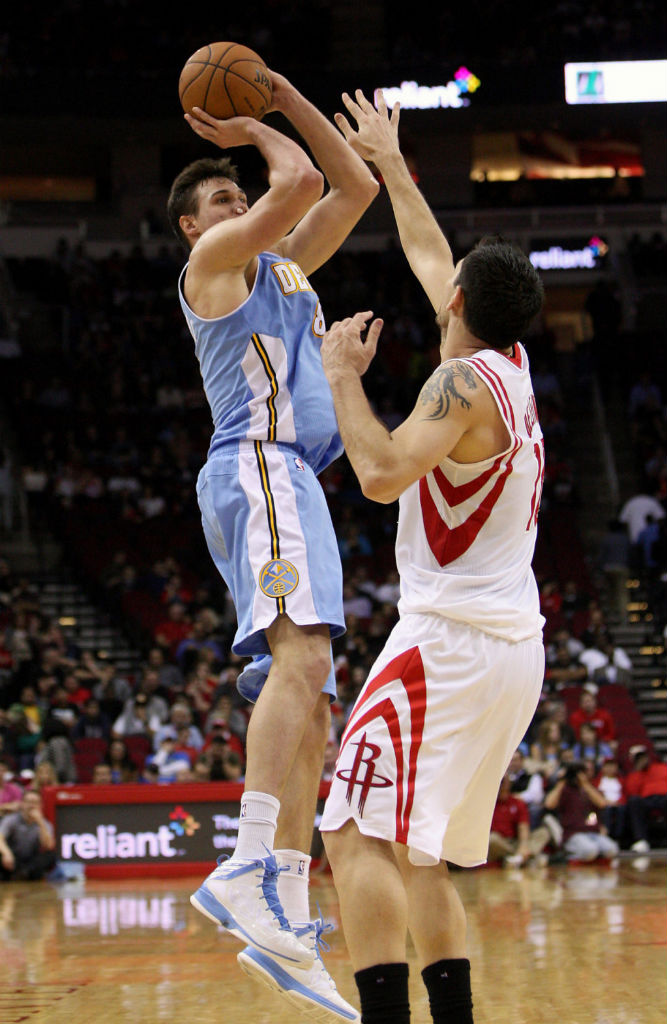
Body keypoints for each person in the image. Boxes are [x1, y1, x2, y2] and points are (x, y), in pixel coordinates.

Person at [318, 90, 546, 1024]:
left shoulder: (457, 382)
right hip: (509, 649)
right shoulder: (514, 369)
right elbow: (429, 254)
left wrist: (339, 379)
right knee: (422, 856)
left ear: (457, 302)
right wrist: (391, 162)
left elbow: (376, 474)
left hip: (447, 644)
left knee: (350, 832)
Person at [166, 63, 378, 1021]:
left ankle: (285, 914)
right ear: (191, 227)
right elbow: (294, 183)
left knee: (313, 698)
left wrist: (284, 95)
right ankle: (248, 858)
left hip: (288, 480)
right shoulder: (209, 269)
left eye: (234, 193)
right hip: (255, 465)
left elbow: (354, 188)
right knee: (302, 659)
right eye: (218, 199)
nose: (236, 199)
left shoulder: (285, 268)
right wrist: (247, 129)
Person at [542, 762, 619, 863]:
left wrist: (585, 784)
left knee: (612, 850)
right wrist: (561, 782)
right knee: (590, 851)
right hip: (573, 834)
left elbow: (602, 804)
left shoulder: (590, 789)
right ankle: (566, 855)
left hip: (593, 832)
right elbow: (548, 804)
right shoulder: (564, 790)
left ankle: (586, 855)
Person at [487, 773, 551, 868]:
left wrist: (523, 845)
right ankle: (524, 858)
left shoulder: (517, 802)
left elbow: (523, 826)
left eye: (504, 782)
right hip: (500, 843)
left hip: (516, 842)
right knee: (492, 840)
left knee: (543, 833)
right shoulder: (488, 804)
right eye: (500, 782)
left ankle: (516, 858)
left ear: (509, 784)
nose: (502, 785)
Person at [0, 789, 56, 881]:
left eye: (35, 802)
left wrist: (40, 822)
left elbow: (48, 846)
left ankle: (25, 874)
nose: (31, 805)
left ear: (40, 805)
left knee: (50, 856)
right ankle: (12, 875)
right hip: (12, 858)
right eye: (28, 802)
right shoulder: (11, 819)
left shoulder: (45, 824)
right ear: (22, 804)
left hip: (31, 860)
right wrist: (7, 853)